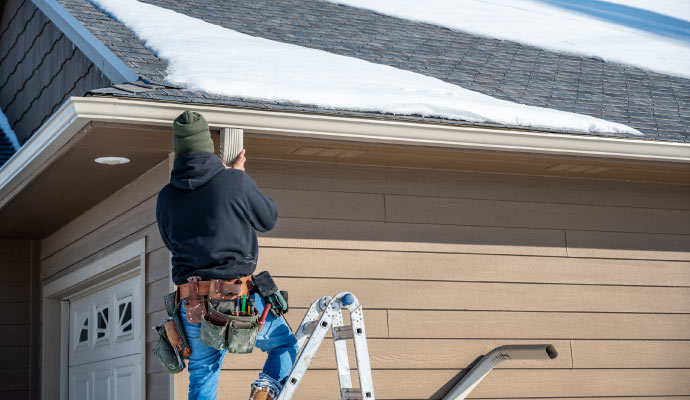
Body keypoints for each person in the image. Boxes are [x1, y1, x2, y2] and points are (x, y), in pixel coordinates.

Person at [156, 110, 298, 400]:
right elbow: (268, 218)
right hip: (239, 299)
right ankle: (265, 389)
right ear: (208, 148)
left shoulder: (167, 197)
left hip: (192, 302)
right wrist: (238, 180)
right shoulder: (234, 181)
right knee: (285, 346)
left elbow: (171, 243)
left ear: (179, 151)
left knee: (202, 381)